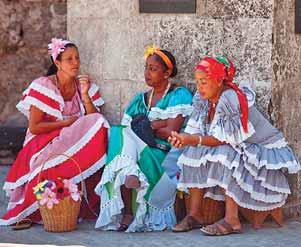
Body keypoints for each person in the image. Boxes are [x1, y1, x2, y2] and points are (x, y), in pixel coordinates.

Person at [169, 56, 301, 235]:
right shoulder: (203, 100)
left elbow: (224, 140)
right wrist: (183, 139)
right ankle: (195, 214)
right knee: (193, 150)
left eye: (204, 82)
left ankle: (232, 220)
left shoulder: (231, 97)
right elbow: (196, 133)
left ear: (218, 81)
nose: (199, 87)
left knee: (225, 153)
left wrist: (191, 139)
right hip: (241, 148)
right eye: (197, 82)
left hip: (264, 155)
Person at [0, 38, 109, 227]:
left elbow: (95, 120)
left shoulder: (82, 86)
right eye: (69, 59)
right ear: (57, 63)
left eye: (77, 58)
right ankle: (33, 209)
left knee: (99, 121)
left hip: (71, 141)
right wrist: (65, 123)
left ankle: (69, 199)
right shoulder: (44, 86)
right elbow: (35, 127)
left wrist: (84, 95)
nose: (75, 63)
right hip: (43, 140)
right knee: (46, 161)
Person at [94, 45, 193, 232]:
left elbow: (171, 132)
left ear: (167, 73)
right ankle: (130, 176)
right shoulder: (138, 100)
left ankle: (130, 204)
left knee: (124, 137)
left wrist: (150, 126)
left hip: (166, 151)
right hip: (140, 147)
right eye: (146, 67)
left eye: (153, 69)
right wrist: (158, 123)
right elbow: (129, 129)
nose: (147, 73)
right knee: (118, 132)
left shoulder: (178, 95)